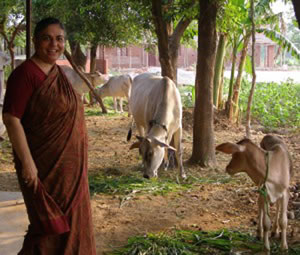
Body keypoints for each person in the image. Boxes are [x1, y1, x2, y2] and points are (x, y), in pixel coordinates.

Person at [2, 17, 96, 254]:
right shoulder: (25, 75)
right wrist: (29, 165)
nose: (54, 44)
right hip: (43, 168)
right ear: (35, 40)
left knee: (72, 226)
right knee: (47, 228)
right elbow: (11, 118)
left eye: (59, 39)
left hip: (71, 172)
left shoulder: (59, 73)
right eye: (47, 38)